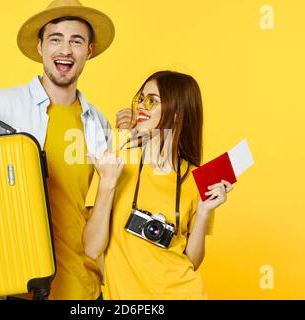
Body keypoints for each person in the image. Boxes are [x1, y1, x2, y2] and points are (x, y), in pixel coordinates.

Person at [0, 0, 115, 300]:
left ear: (89, 51)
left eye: (76, 41)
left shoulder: (98, 123)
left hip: (81, 285)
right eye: (56, 39)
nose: (66, 50)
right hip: (18, 287)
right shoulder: (2, 105)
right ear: (41, 47)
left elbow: (102, 206)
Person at [83, 70, 233, 299]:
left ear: (176, 113)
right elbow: (92, 248)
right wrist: (107, 184)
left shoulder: (196, 180)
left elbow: (190, 261)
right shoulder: (119, 159)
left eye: (152, 100)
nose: (142, 106)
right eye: (141, 98)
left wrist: (203, 213)